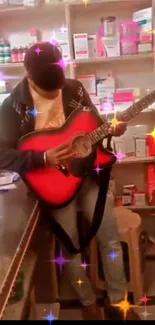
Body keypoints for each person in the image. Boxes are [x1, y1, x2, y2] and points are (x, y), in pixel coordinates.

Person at [0, 42, 140, 321]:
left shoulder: (74, 88)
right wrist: (42, 158)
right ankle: (87, 301)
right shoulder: (12, 105)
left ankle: (118, 303)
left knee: (109, 237)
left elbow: (92, 126)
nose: (54, 95)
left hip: (88, 175)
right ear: (28, 76)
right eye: (46, 92)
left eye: (57, 90)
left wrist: (109, 128)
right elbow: (2, 154)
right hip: (52, 184)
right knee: (70, 246)